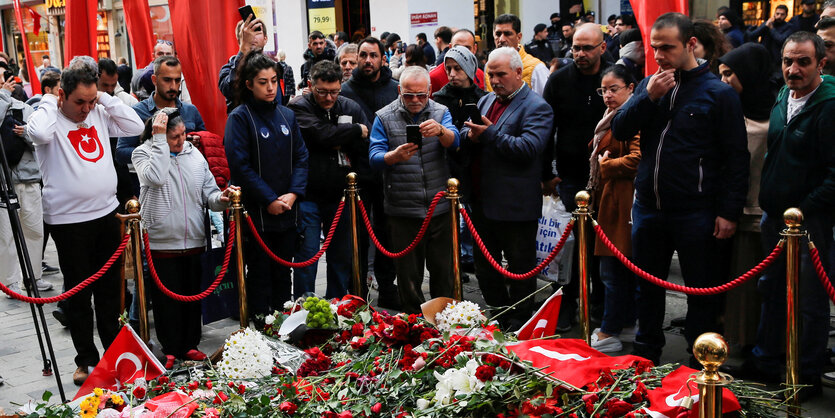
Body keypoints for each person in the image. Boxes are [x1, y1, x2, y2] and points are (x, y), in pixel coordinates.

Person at [611, 13, 749, 366]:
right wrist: (649, 97)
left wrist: (727, 212)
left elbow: (736, 158)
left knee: (700, 290)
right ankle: (645, 352)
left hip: (696, 210)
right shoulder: (649, 85)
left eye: (667, 48)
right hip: (649, 207)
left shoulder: (717, 93)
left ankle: (698, 360)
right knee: (648, 287)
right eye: (654, 48)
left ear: (690, 44)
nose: (659, 55)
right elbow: (622, 129)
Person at [26, 59, 145, 385]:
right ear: (63, 94)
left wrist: (103, 99)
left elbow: (135, 126)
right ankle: (86, 361)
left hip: (106, 214)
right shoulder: (46, 116)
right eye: (79, 102)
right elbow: (38, 132)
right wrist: (51, 100)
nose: (85, 109)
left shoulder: (97, 111)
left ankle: (113, 355)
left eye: (90, 101)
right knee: (79, 294)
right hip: (67, 222)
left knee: (111, 292)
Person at [742, 32, 834, 400]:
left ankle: (805, 376)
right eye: (787, 61)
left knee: (809, 301)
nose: (793, 69)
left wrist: (805, 209)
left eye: (803, 62)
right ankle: (767, 362)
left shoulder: (828, 105)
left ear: (821, 64)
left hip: (810, 221)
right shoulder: (783, 94)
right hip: (775, 217)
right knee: (772, 290)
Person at [132, 108, 236, 367]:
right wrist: (158, 142)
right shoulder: (143, 153)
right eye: (174, 137)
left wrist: (221, 199)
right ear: (158, 135)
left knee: (192, 296)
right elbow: (154, 177)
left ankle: (190, 344)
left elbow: (209, 194)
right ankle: (169, 349)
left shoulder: (195, 155)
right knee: (166, 299)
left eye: (183, 134)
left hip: (194, 240)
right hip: (160, 240)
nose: (181, 141)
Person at [458, 47, 553, 329]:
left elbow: (528, 148)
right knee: (484, 265)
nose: (495, 80)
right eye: (490, 74)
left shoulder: (537, 106)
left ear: (517, 72)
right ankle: (498, 312)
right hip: (482, 201)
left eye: (501, 74)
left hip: (515, 205)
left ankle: (521, 318)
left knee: (520, 267)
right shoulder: (486, 100)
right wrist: (471, 136)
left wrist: (490, 135)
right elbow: (468, 131)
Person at [225, 50, 308, 324]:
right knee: (260, 274)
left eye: (274, 80)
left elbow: (301, 157)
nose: (271, 87)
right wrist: (270, 199)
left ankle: (285, 329)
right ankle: (262, 332)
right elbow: (240, 166)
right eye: (263, 82)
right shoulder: (240, 117)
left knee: (284, 274)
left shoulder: (287, 115)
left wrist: (294, 193)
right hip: (257, 214)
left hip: (287, 209)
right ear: (249, 84)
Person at [368, 66, 459, 314]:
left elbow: (456, 142)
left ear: (430, 91)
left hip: (439, 207)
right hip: (402, 209)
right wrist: (393, 156)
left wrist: (441, 131)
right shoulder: (384, 117)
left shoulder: (441, 112)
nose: (416, 100)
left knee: (444, 273)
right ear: (399, 91)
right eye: (409, 95)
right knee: (408, 276)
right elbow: (374, 157)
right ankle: (415, 324)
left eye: (421, 95)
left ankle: (446, 323)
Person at [542, 22, 613, 331]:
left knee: (602, 250)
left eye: (587, 48)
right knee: (570, 248)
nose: (580, 54)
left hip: (609, 178)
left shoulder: (614, 78)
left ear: (602, 48)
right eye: (576, 48)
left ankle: (601, 308)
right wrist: (546, 174)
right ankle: (567, 303)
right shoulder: (559, 81)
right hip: (570, 177)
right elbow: (546, 129)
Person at [288, 61, 369, 298]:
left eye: (334, 92)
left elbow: (366, 142)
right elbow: (319, 135)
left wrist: (339, 137)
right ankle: (303, 308)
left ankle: (337, 303)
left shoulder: (350, 106)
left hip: (342, 193)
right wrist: (353, 131)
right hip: (308, 194)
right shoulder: (298, 107)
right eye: (322, 92)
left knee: (341, 255)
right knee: (308, 254)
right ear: (311, 85)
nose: (328, 98)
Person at [715, 43, 775, 351]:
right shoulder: (731, 109)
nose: (724, 81)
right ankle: (739, 341)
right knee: (740, 285)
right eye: (721, 74)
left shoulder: (778, 109)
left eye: (730, 74)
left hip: (763, 209)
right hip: (735, 209)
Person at [340, 37, 400, 308]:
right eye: (363, 55)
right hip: (357, 174)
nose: (367, 60)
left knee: (387, 234)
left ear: (382, 59)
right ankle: (358, 291)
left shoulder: (395, 89)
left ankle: (387, 288)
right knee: (358, 237)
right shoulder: (345, 91)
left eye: (373, 55)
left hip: (389, 172)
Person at [588, 64, 641, 353]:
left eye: (613, 89)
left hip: (623, 202)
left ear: (630, 88)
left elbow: (638, 158)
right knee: (615, 270)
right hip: (611, 199)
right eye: (603, 90)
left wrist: (606, 165)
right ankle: (623, 323)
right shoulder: (612, 116)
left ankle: (611, 330)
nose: (607, 95)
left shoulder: (631, 117)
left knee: (614, 271)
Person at [116, 56, 206, 196]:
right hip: (154, 191)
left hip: (189, 189)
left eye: (177, 80)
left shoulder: (190, 111)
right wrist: (158, 147)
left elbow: (206, 146)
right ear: (154, 80)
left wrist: (194, 142)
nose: (173, 86)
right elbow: (121, 153)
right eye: (167, 80)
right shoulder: (137, 112)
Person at [0, 69, 51, 297]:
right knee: (6, 235)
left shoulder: (25, 107)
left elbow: (40, 139)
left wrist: (25, 134)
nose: (5, 82)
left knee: (33, 229)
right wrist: (2, 96)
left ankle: (33, 277)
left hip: (28, 178)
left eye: (5, 77)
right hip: (3, 182)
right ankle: (9, 282)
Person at [488, 14, 550, 96]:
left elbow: (545, 104)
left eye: (507, 34)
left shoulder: (537, 69)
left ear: (519, 37)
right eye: (498, 34)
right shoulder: (488, 66)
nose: (501, 39)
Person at [219, 15, 268, 113]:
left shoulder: (275, 68)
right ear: (239, 40)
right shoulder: (229, 68)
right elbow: (230, 89)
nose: (252, 36)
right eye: (246, 34)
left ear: (265, 38)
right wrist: (244, 49)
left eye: (256, 31)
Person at [429, 29, 486, 95]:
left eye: (467, 48)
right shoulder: (434, 77)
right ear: (450, 47)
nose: (462, 52)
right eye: (457, 47)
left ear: (474, 49)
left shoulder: (480, 75)